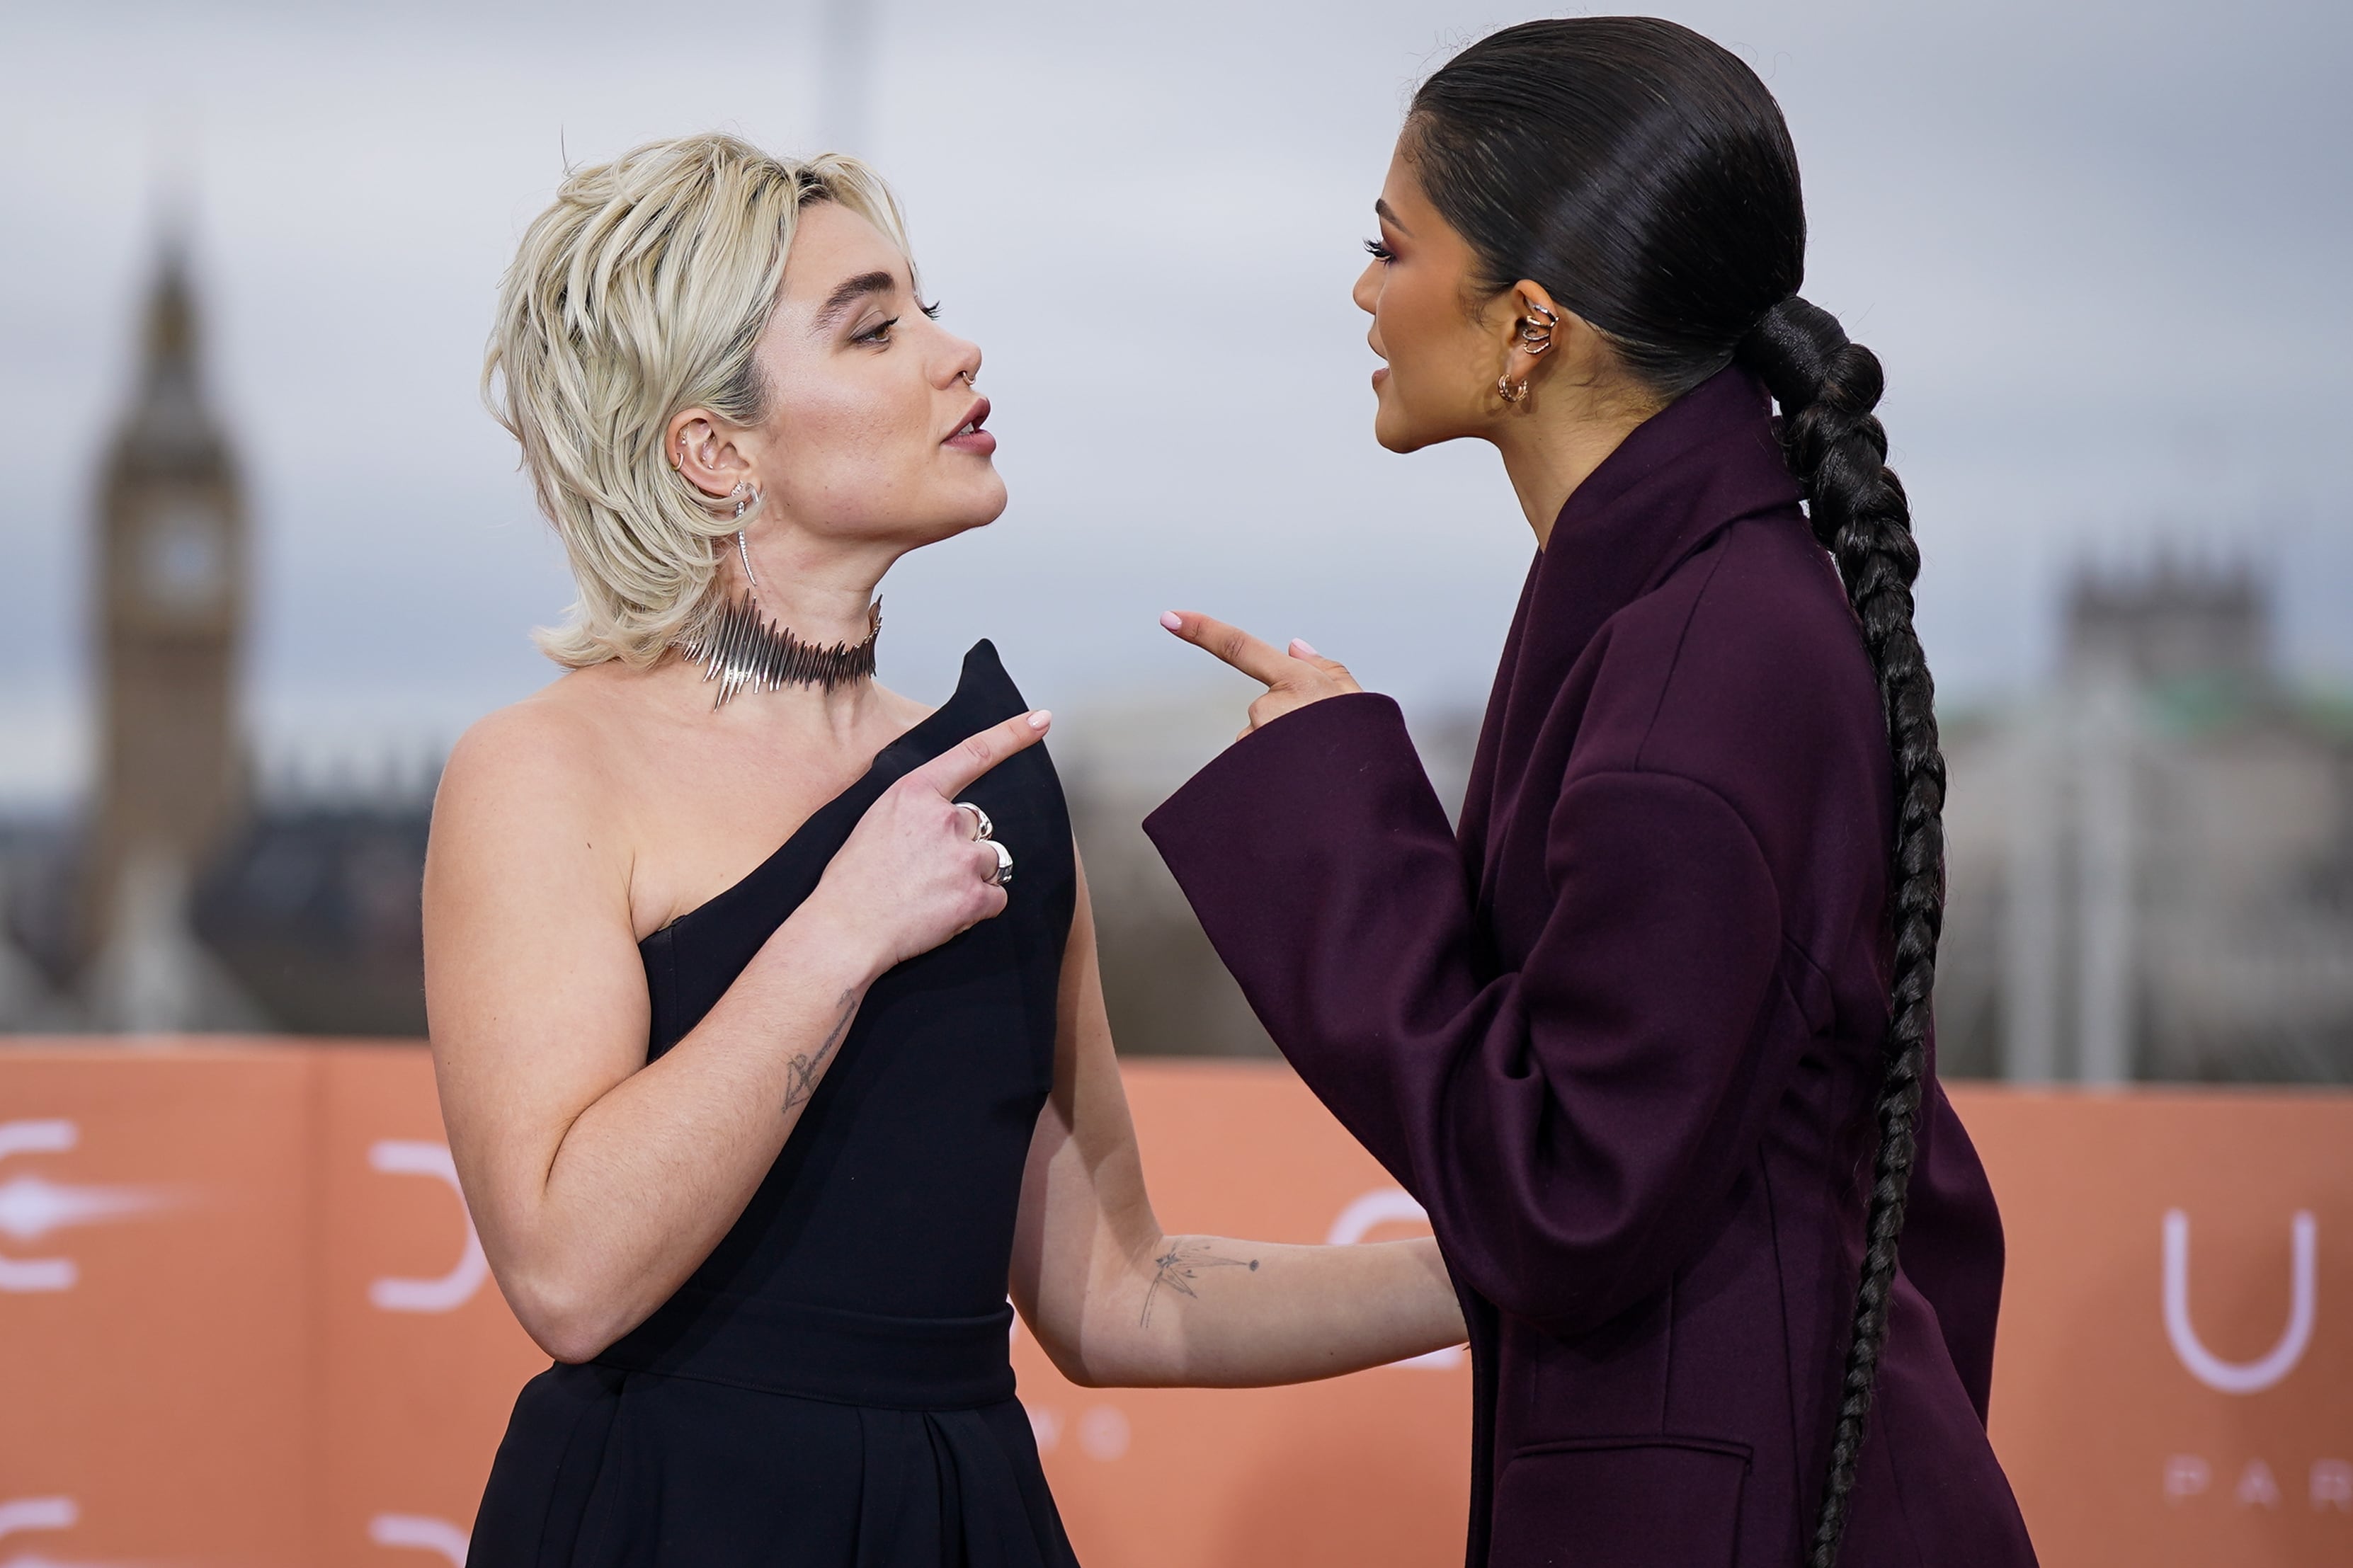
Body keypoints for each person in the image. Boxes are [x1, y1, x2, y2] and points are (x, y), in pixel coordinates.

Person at [423, 132, 1464, 1567]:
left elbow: (1119, 1293)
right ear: (715, 446)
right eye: (874, 326)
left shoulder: (998, 777)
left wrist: (1498, 1270)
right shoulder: (541, 772)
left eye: (927, 305)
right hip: (666, 1521)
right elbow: (571, 1274)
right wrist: (841, 930)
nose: (956, 350)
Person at [1148, 18, 2038, 1568]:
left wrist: (1333, 812)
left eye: (1390, 244)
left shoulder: (1697, 670)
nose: (1364, 290)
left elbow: (1570, 1190)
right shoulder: (1702, 613)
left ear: (1530, 324)